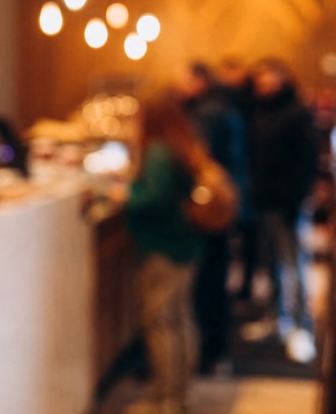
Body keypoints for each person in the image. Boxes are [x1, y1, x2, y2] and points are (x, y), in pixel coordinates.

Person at [127, 91, 206, 414]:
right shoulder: (180, 144)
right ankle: (180, 392)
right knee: (180, 317)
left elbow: (154, 198)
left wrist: (127, 191)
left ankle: (167, 398)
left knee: (161, 321)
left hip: (164, 246)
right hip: (184, 244)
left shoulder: (158, 152)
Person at [175, 62, 248, 375]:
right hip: (225, 201)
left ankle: (210, 352)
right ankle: (216, 349)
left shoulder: (206, 111)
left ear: (198, 80)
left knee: (207, 283)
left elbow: (197, 155)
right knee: (216, 278)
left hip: (211, 205)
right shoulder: (225, 104)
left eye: (184, 77)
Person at [247, 58, 319, 364]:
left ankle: (304, 327)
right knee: (275, 263)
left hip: (290, 200)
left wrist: (299, 196)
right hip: (266, 199)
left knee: (296, 264)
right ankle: (279, 319)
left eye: (269, 77)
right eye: (260, 78)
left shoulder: (298, 112)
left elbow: (308, 160)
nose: (264, 83)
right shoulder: (259, 111)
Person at [215, 57, 260, 303]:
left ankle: (244, 290)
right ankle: (241, 289)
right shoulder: (242, 104)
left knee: (244, 241)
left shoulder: (234, 107)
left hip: (242, 181)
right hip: (245, 180)